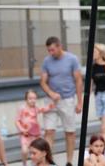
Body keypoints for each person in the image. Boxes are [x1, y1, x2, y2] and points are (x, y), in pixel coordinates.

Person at [40, 36, 83, 166]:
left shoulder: (72, 59)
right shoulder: (47, 61)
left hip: (67, 100)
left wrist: (79, 102)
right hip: (50, 101)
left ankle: (69, 161)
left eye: (52, 50)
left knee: (69, 132)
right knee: (49, 131)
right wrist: (51, 93)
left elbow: (78, 80)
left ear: (59, 46)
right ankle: (47, 161)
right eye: (49, 50)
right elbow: (43, 82)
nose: (50, 53)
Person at [15, 90, 54, 166]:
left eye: (34, 98)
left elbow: (42, 109)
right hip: (25, 134)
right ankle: (24, 163)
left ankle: (37, 163)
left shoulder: (35, 108)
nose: (32, 100)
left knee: (37, 150)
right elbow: (17, 120)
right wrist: (22, 130)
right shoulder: (22, 109)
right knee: (25, 150)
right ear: (26, 99)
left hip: (35, 134)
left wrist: (50, 107)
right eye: (30, 98)